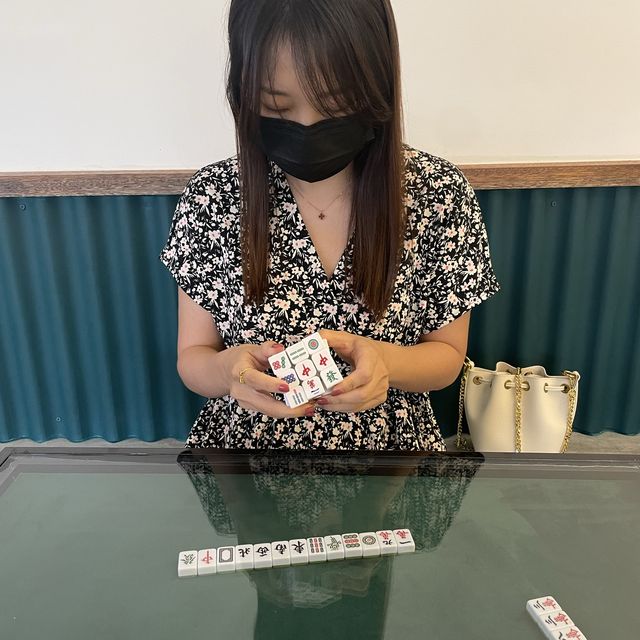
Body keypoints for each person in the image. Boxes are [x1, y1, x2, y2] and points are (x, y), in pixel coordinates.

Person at [160, 0, 500, 451]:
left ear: (377, 89)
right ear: (242, 95)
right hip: (247, 463)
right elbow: (192, 357)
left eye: (336, 105)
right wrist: (228, 371)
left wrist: (384, 361)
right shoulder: (214, 196)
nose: (307, 126)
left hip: (391, 463)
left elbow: (447, 358)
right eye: (276, 107)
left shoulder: (436, 193)